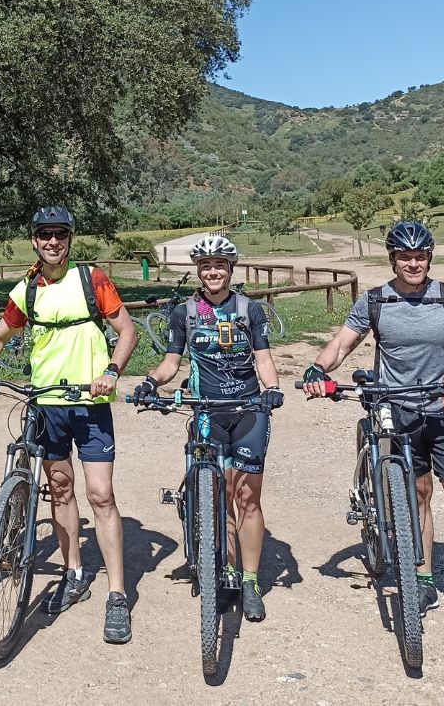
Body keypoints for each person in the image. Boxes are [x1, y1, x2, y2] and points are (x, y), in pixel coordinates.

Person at [301, 221, 444, 652]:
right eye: (404, 256)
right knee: (418, 496)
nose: (413, 263)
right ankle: (423, 579)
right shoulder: (377, 301)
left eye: (420, 256)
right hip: (397, 412)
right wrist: (318, 369)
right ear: (393, 259)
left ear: (429, 258)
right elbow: (343, 343)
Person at [0, 206, 138, 644]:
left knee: (100, 494)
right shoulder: (27, 290)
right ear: (34, 241)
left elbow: (127, 331)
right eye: (44, 235)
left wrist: (112, 371)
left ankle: (117, 595)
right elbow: (0, 335)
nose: (52, 242)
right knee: (60, 489)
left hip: (89, 402)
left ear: (69, 239)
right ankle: (72, 571)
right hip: (46, 404)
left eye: (59, 234)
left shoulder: (91, 280)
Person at [132, 235, 283, 622]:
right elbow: (171, 363)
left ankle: (249, 581)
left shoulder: (250, 310)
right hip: (206, 412)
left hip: (248, 410)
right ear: (198, 271)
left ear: (231, 270)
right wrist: (151, 383)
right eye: (205, 266)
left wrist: (273, 389)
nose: (213, 272)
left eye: (219, 266)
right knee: (218, 494)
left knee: (246, 497)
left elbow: (263, 359)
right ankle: (226, 570)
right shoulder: (185, 313)